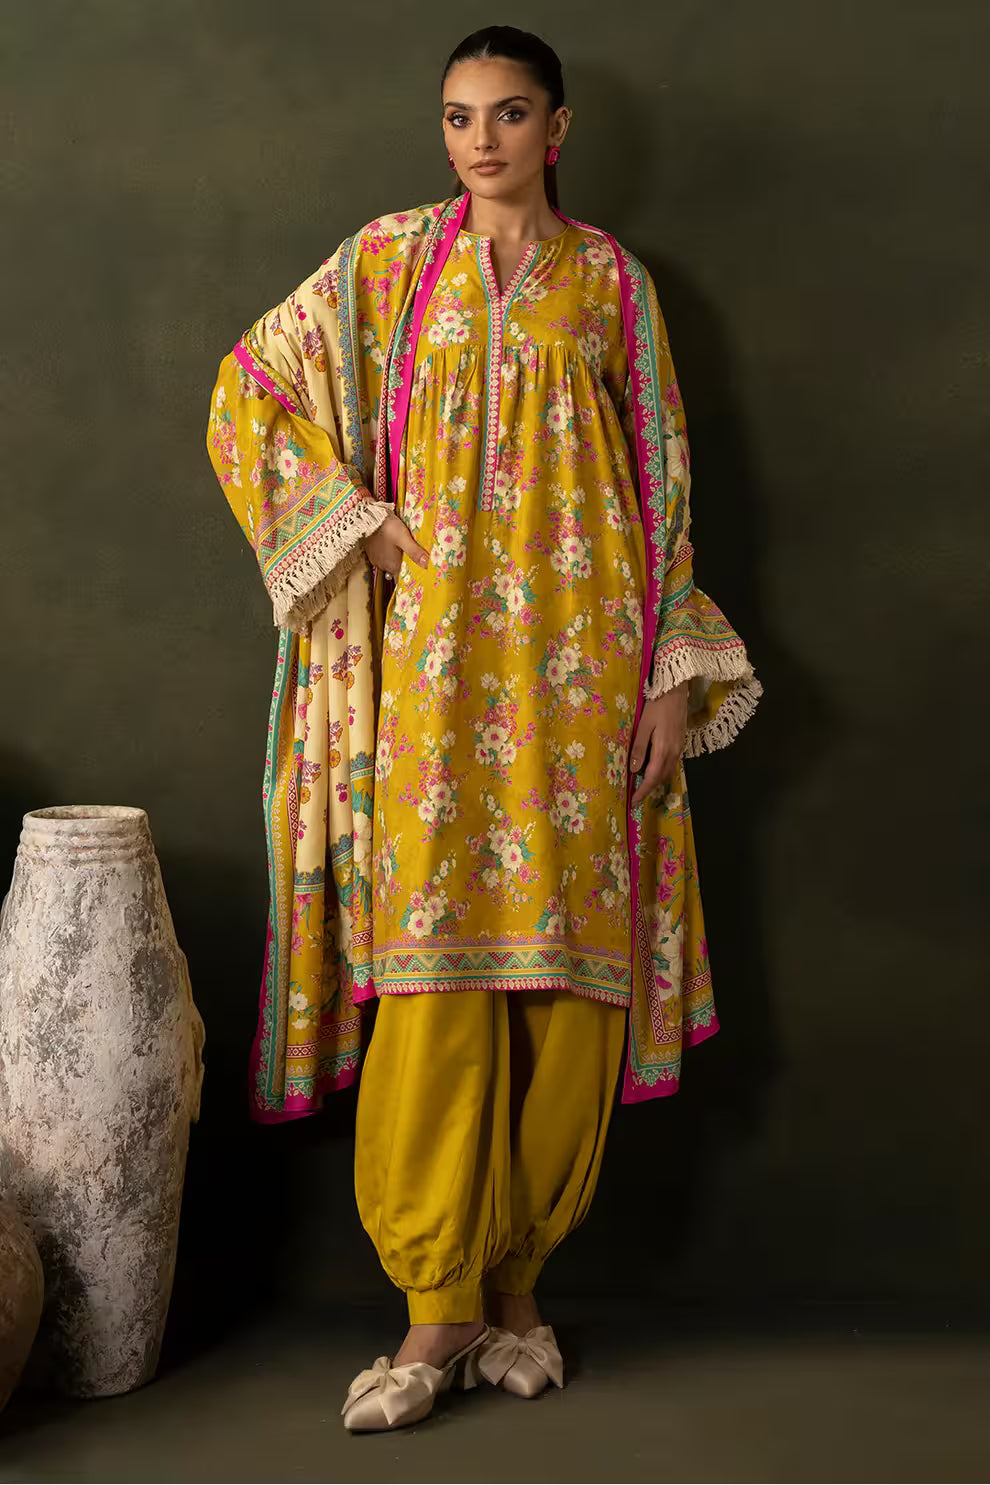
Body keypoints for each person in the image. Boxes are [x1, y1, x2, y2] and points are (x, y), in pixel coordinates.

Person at [207, 24, 761, 1433]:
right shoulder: (389, 264)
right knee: (438, 982)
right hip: (433, 690)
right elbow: (249, 388)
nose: (479, 140)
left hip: (581, 679)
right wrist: (358, 523)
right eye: (458, 116)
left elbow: (665, 482)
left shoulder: (613, 287)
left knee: (563, 991)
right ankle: (431, 1307)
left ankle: (516, 1297)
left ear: (556, 128)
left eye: (508, 115)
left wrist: (663, 679)